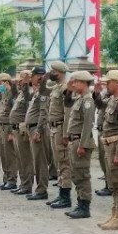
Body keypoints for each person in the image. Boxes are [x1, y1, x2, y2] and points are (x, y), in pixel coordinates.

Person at [93, 70, 118, 231]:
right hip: (108, 144)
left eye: (108, 82)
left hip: (116, 145)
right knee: (113, 182)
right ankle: (114, 213)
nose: (106, 85)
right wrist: (96, 94)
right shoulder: (112, 99)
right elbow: (101, 106)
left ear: (116, 82)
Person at [64, 70, 97, 219]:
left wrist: (82, 145)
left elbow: (87, 124)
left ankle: (84, 206)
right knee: (76, 174)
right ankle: (80, 203)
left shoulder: (88, 101)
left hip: (81, 142)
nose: (73, 84)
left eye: (76, 82)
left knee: (82, 174)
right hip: (75, 140)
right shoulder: (80, 99)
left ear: (83, 83)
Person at [45, 62, 73, 209]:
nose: (51, 73)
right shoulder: (56, 87)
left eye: (53, 71)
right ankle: (61, 193)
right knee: (58, 163)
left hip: (61, 128)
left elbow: (68, 112)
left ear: (60, 72)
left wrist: (65, 133)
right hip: (53, 128)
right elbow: (43, 89)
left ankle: (66, 196)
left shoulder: (66, 88)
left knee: (64, 162)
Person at [23, 67, 50, 201]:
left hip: (37, 129)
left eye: (33, 76)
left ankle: (42, 190)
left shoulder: (43, 92)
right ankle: (39, 188)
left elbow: (43, 113)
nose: (31, 78)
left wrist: (38, 130)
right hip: (32, 128)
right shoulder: (37, 91)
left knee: (41, 161)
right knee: (37, 161)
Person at [11, 71, 35, 196]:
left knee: (25, 159)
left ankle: (27, 184)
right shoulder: (20, 93)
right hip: (16, 129)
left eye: (20, 81)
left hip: (22, 130)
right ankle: (23, 183)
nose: (18, 82)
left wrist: (26, 84)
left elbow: (27, 100)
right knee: (20, 159)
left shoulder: (29, 92)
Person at [0, 73, 18, 190]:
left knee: (10, 155)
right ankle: (6, 178)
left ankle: (12, 179)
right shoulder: (4, 94)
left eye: (1, 83)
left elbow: (14, 113)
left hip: (8, 126)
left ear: (7, 83)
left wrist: (12, 131)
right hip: (2, 126)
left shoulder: (12, 95)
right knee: (3, 154)